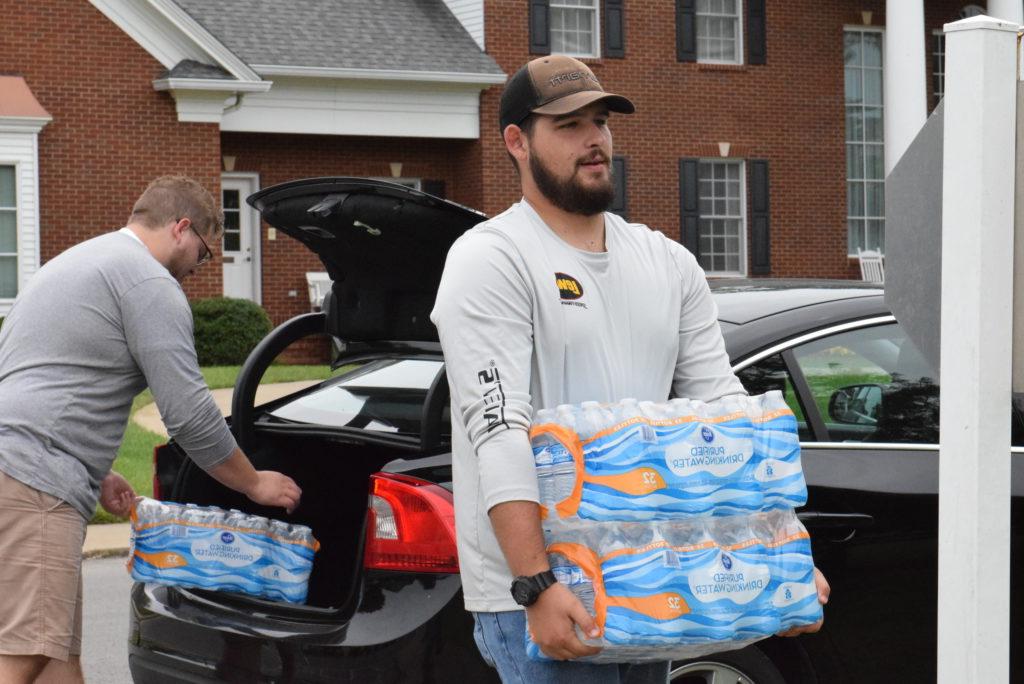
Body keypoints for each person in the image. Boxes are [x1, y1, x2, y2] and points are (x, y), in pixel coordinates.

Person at [430, 56, 829, 683]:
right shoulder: (492, 258)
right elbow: (498, 428)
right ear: (516, 142)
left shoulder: (667, 261)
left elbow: (725, 413)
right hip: (547, 586)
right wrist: (535, 583)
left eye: (600, 122)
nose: (594, 140)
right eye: (567, 126)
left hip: (647, 574)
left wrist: (786, 549)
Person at [0, 176, 301, 684]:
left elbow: (35, 377)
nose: (198, 271)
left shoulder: (79, 260)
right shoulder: (148, 281)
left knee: (55, 658)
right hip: (36, 484)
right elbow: (188, 412)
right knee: (27, 655)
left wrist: (97, 470)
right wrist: (254, 483)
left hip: (21, 471)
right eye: (204, 255)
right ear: (182, 229)